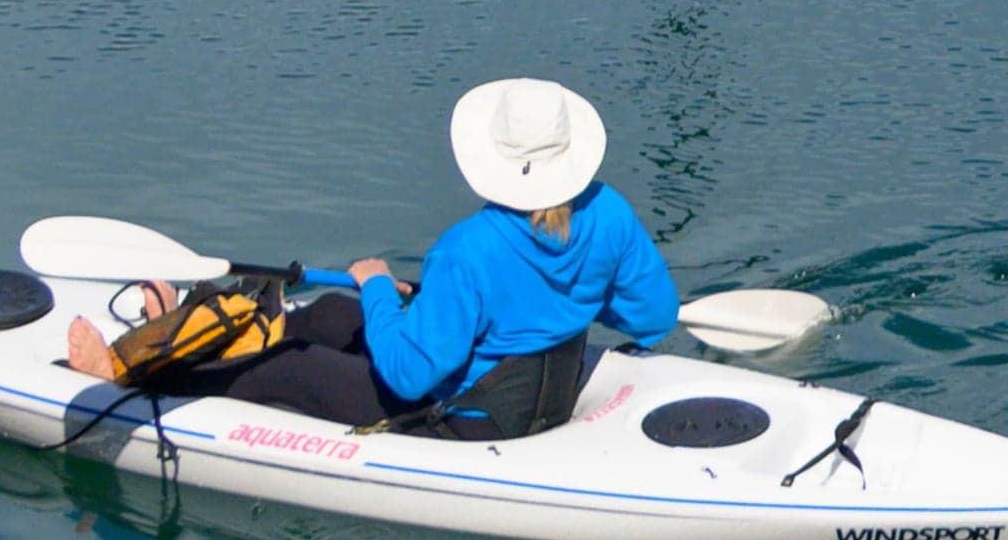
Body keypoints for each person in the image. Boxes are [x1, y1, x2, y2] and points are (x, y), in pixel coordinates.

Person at [65, 77, 678, 439]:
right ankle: (188, 332)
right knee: (330, 314)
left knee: (289, 364)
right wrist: (575, 292)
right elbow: (652, 317)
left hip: (466, 415)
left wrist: (379, 286)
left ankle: (126, 376)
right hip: (543, 396)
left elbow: (410, 376)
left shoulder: (467, 250)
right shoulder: (611, 214)